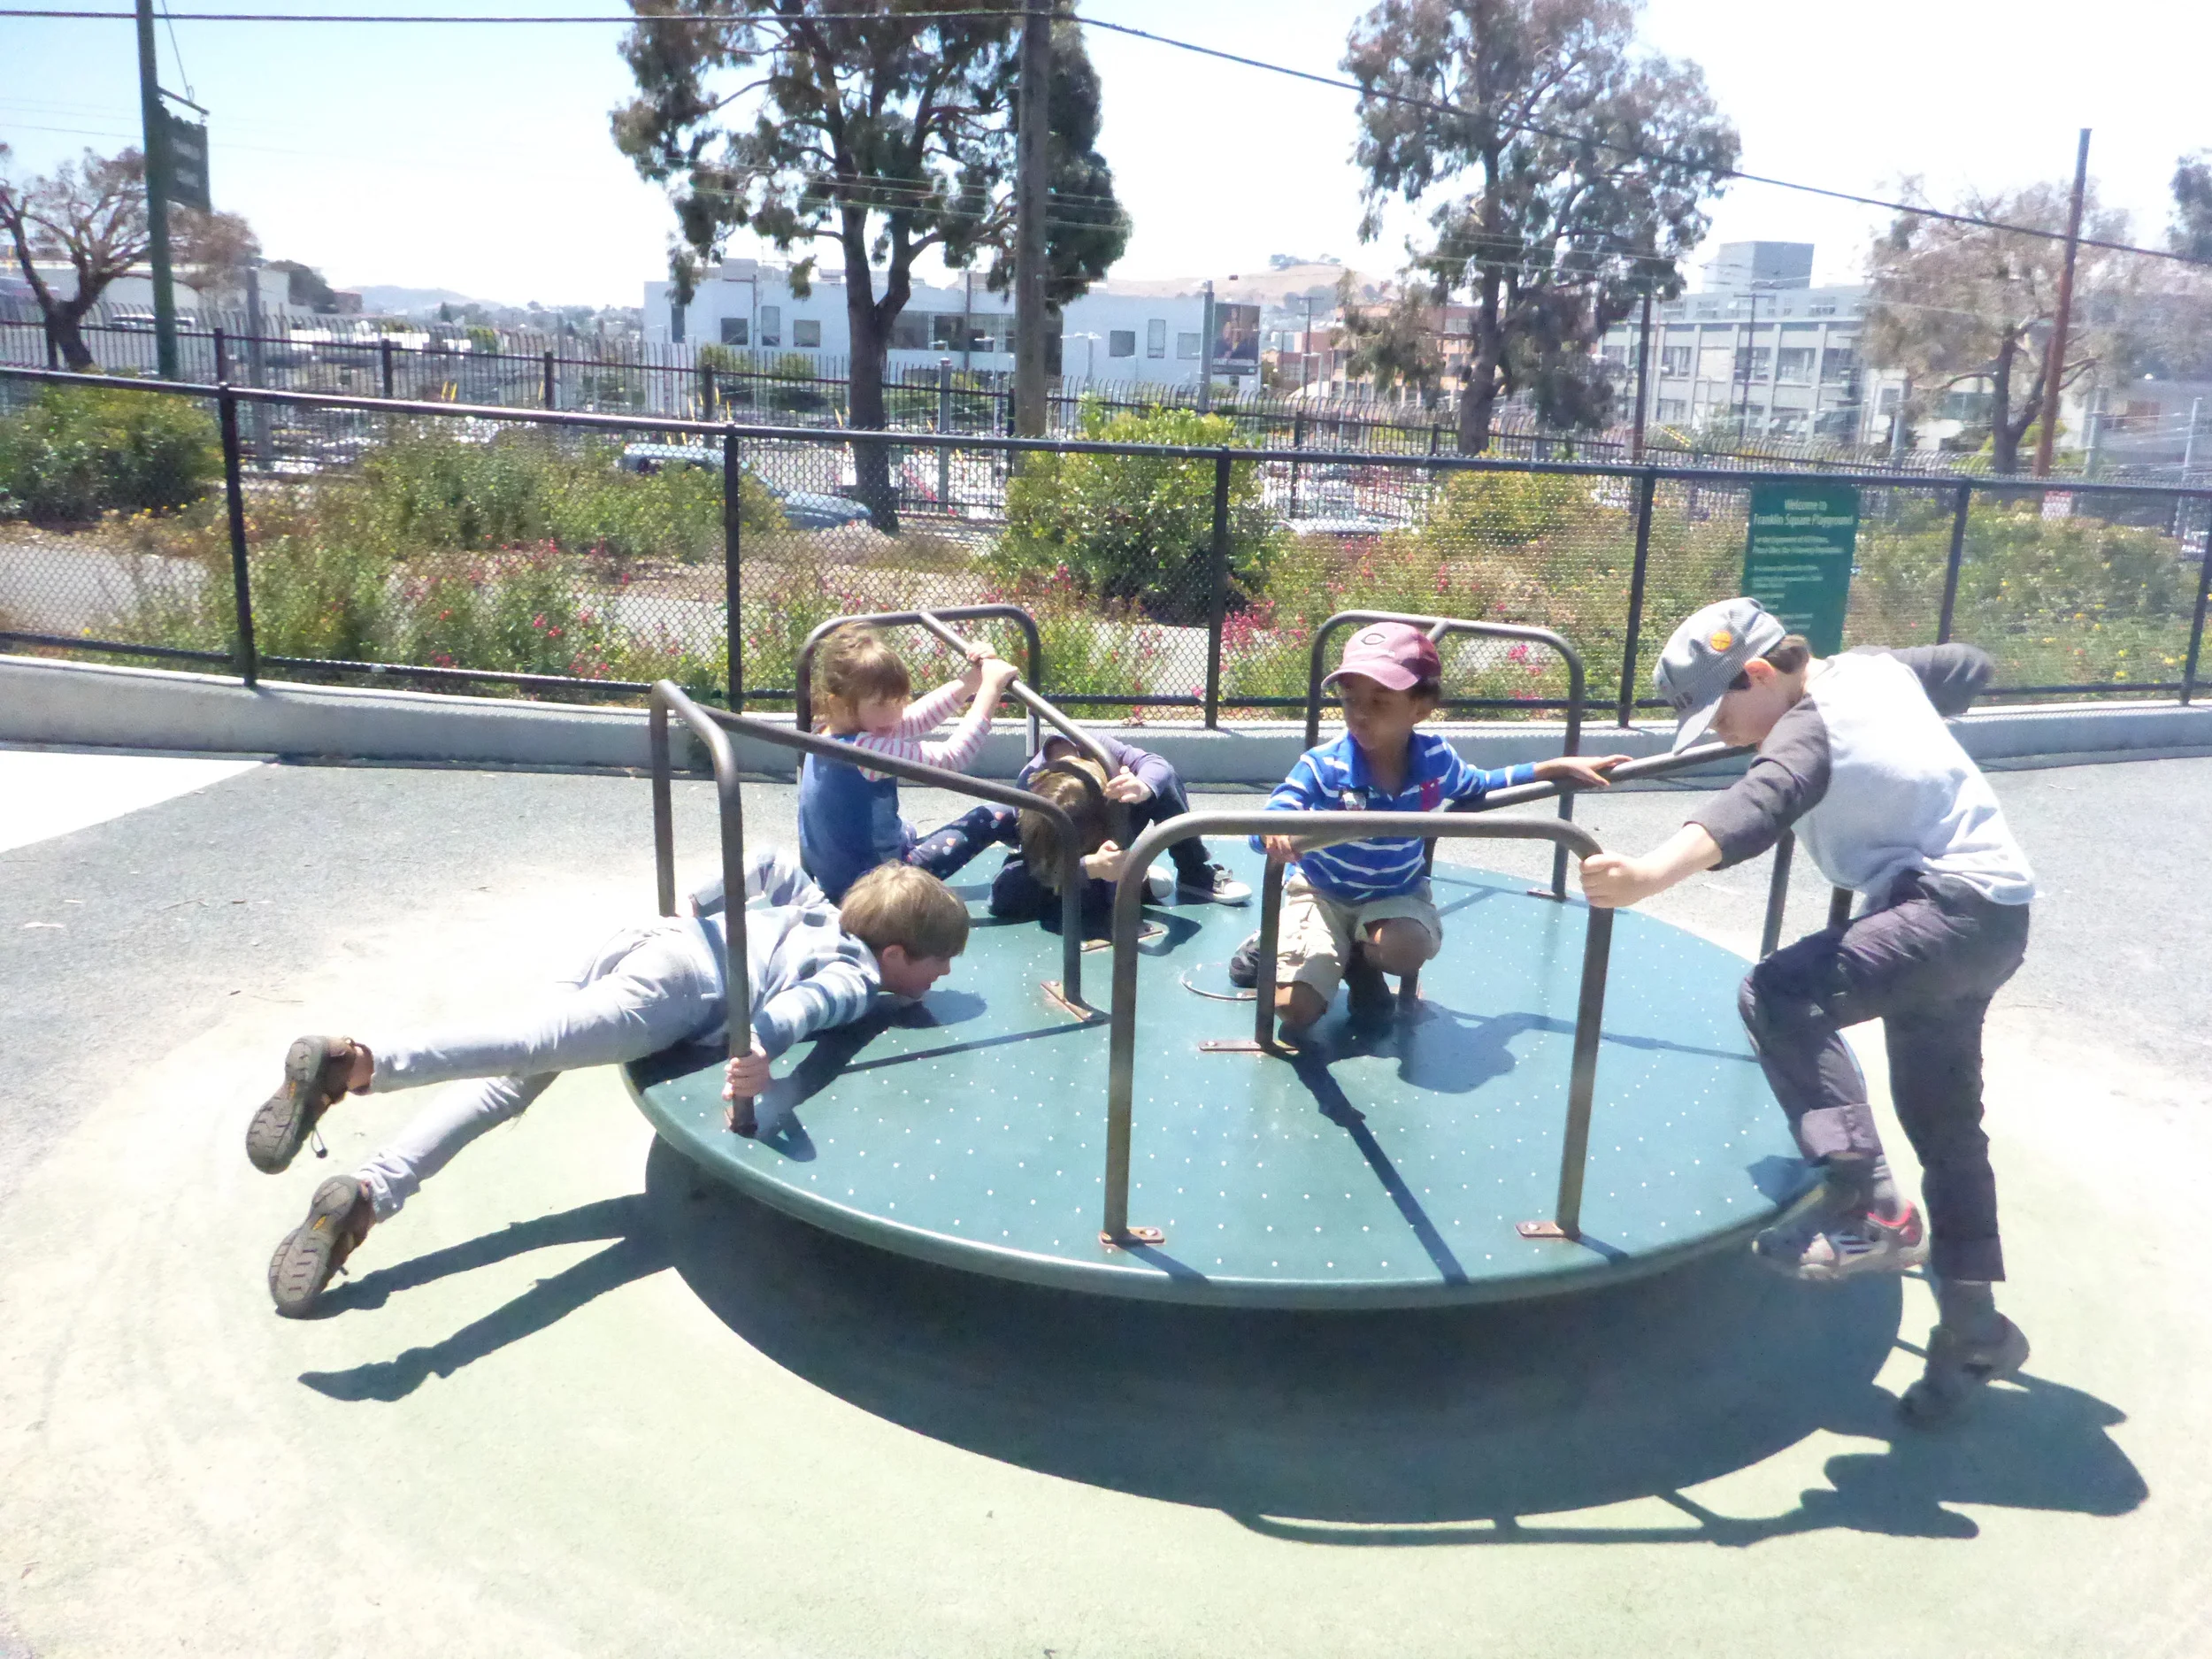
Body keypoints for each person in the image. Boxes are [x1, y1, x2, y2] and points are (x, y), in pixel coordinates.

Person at [1578, 596, 2035, 1427]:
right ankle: (1974, 1325)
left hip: (1941, 908)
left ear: (1759, 673)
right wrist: (1939, 703)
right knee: (1944, 1126)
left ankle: (1866, 1203)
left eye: (1722, 715)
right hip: (1996, 916)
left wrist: (1646, 875)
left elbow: (1760, 801)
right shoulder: (1879, 669)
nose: (1725, 736)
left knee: (1779, 992)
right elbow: (1965, 664)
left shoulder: (1809, 723)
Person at [245, 851, 969, 1317]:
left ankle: (369, 1194)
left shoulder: (818, 903)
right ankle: (359, 1063)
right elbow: (808, 1004)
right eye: (938, 961)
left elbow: (771, 861)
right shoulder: (859, 974)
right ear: (894, 953)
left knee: (512, 1080)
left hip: (649, 939)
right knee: (532, 1042)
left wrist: (696, 901)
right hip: (681, 989)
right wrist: (759, 1047)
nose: (944, 973)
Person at [1232, 622, 1626, 1030]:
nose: (1361, 715)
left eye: (1379, 702)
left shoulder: (1435, 760)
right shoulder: (1324, 764)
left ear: (1420, 708)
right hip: (1321, 892)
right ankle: (1275, 941)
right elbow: (1275, 814)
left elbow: (1479, 783)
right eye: (1350, 701)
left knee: (1405, 950)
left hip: (1394, 894)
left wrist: (1552, 767)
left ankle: (1356, 960)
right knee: (1294, 1012)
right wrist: (1274, 830)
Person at [799, 624, 1025, 902]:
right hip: (879, 886)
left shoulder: (828, 734)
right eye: (881, 704)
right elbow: (952, 757)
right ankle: (1040, 866)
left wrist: (973, 680)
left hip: (838, 876)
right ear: (839, 704)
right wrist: (991, 688)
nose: (895, 713)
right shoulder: (865, 752)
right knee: (996, 815)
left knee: (905, 828)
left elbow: (915, 718)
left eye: (899, 700)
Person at [989, 733, 1250, 927]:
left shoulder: (1097, 748)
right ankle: (1134, 878)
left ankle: (1193, 872)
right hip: (1055, 855)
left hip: (1107, 831)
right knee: (1045, 887)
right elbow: (1003, 896)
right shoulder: (1028, 790)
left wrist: (1141, 787)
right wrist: (1088, 866)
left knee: (1160, 784)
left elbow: (1158, 766)